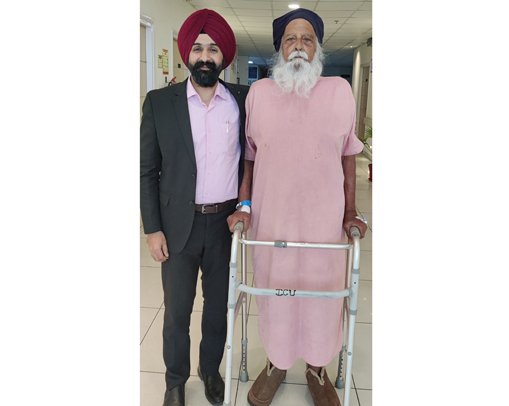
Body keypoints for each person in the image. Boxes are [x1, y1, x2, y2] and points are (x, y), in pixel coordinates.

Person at [226, 8, 368, 406]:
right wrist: (246, 204)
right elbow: (250, 157)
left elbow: (348, 155)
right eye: (291, 39)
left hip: (323, 221)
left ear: (318, 47)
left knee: (322, 295)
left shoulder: (339, 91)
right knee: (275, 293)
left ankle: (318, 368)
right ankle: (276, 363)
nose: (299, 47)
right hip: (273, 219)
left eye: (307, 39)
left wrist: (350, 212)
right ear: (279, 49)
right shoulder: (259, 94)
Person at [140, 9, 249, 406]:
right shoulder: (159, 103)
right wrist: (153, 229)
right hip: (176, 225)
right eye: (199, 48)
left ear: (225, 57)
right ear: (187, 53)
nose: (206, 56)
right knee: (176, 313)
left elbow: (252, 160)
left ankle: (209, 370)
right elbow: (146, 169)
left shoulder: (241, 101)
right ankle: (174, 381)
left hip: (224, 224)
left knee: (218, 308)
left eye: (214, 49)